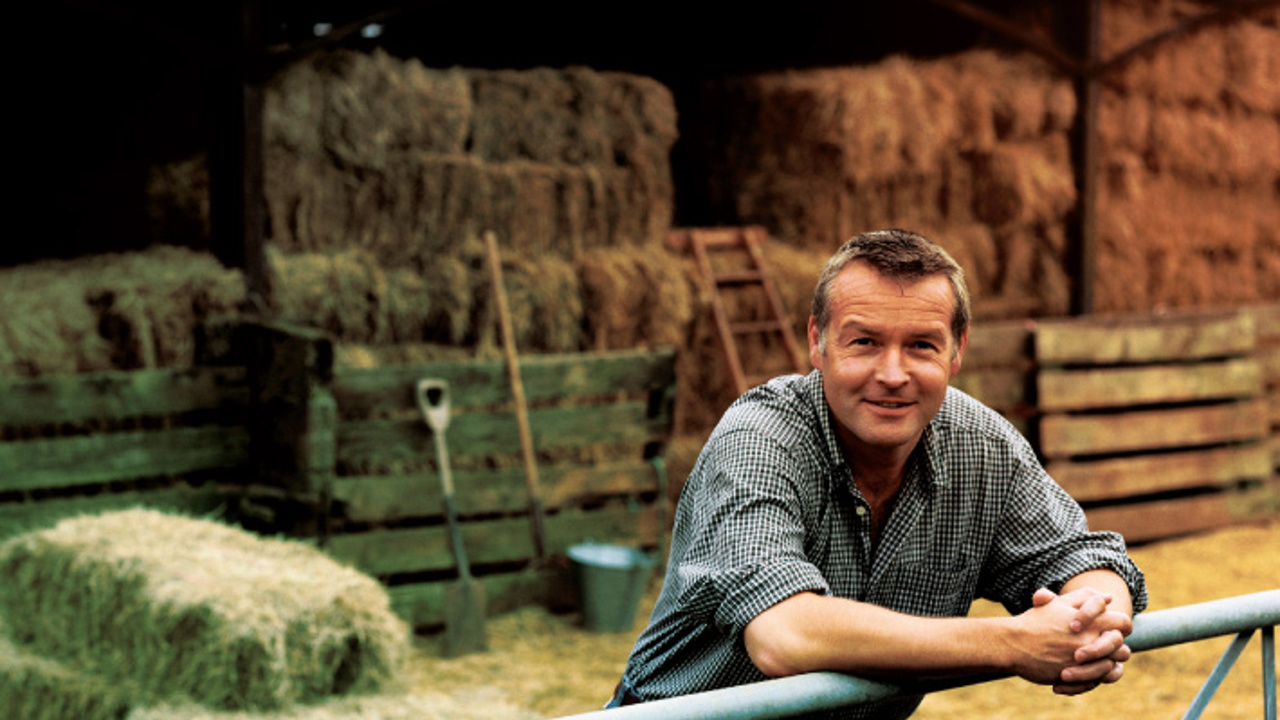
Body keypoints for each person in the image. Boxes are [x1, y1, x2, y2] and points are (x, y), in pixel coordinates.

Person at [607, 229, 1147, 719]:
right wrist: (1013, 642)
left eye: (920, 346)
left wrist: (1094, 622)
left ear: (957, 350)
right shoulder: (759, 440)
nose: (892, 375)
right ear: (817, 341)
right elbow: (784, 635)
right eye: (864, 342)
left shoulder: (984, 448)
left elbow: (1084, 558)